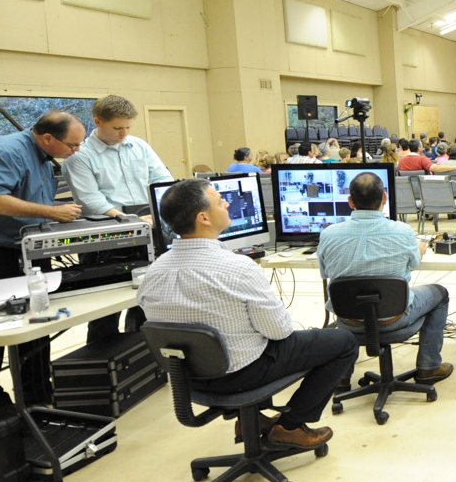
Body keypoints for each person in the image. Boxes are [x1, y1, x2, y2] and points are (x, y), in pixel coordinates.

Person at [138, 179, 355, 447]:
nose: (227, 203)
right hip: (239, 376)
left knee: (249, 337)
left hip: (187, 379)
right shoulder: (238, 268)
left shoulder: (153, 271)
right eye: (220, 201)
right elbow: (280, 331)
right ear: (203, 217)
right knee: (343, 342)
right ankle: (290, 426)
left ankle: (252, 419)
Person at [0, 111, 86, 412]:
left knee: (36, 323)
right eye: (72, 145)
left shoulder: (43, 155)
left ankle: (37, 397)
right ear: (48, 137)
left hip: (24, 247)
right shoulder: (6, 152)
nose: (75, 152)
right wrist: (50, 212)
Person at [316, 172, 454, 385]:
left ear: (350, 201)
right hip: (394, 319)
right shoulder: (402, 232)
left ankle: (341, 377)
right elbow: (414, 263)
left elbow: (325, 273)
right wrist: (419, 249)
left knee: (347, 296)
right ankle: (429, 367)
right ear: (384, 199)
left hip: (348, 321)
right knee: (440, 294)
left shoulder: (328, 234)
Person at [62, 95, 175, 342]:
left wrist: (161, 212)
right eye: (117, 128)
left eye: (128, 127)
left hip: (149, 228)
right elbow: (90, 199)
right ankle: (104, 356)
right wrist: (130, 219)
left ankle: (146, 356)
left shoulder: (139, 146)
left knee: (148, 303)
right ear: (98, 122)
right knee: (105, 310)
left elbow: (162, 179)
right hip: (107, 236)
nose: (124, 133)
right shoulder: (80, 155)